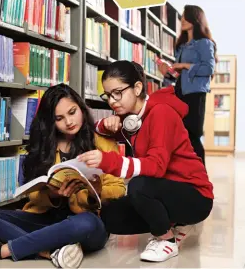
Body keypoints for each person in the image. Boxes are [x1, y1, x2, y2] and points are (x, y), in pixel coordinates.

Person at [77, 61, 214, 263]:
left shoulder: (161, 113)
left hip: (195, 195)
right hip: (165, 192)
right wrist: (105, 125)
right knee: (111, 216)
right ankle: (176, 222)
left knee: (138, 185)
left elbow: (156, 167)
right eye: (107, 95)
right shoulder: (131, 118)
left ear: (138, 88)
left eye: (118, 93)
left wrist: (108, 161)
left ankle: (166, 239)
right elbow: (96, 129)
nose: (113, 101)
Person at [0, 84, 126, 268]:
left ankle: (5, 250)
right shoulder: (44, 147)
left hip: (86, 222)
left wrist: (96, 192)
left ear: (81, 108)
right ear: (50, 121)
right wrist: (53, 195)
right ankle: (51, 250)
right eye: (59, 118)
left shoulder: (101, 142)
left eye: (72, 112)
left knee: (86, 223)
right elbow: (32, 193)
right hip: (47, 220)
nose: (69, 121)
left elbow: (119, 189)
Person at [158, 5, 217, 166]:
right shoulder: (182, 45)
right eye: (182, 17)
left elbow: (208, 68)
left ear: (196, 19)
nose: (182, 20)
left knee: (193, 135)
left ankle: (201, 179)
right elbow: (177, 75)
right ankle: (185, 176)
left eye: (186, 16)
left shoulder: (205, 43)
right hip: (180, 93)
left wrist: (184, 65)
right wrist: (167, 71)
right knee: (179, 136)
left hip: (195, 94)